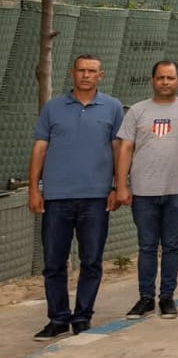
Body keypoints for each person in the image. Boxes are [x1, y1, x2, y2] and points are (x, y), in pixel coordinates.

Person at [29, 53, 123, 341]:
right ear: (72, 73)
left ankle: (82, 317)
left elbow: (119, 149)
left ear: (100, 75)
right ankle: (57, 319)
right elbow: (40, 149)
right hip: (57, 197)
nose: (86, 75)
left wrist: (118, 187)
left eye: (92, 71)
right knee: (54, 263)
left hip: (95, 198)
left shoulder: (113, 108)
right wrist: (35, 188)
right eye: (81, 70)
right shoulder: (53, 108)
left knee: (91, 260)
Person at [115, 60, 178, 320]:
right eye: (160, 77)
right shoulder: (137, 111)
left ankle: (167, 298)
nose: (165, 82)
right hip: (143, 192)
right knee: (146, 247)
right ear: (152, 80)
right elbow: (125, 149)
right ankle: (145, 298)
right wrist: (121, 185)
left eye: (170, 77)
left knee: (171, 246)